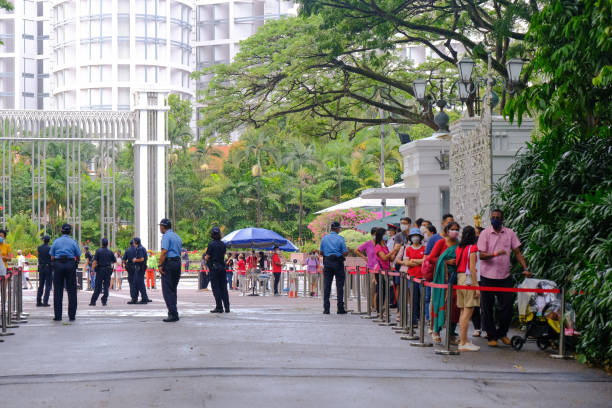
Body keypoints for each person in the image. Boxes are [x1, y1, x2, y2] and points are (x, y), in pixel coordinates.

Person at [478, 209, 531, 347]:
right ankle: (491, 336)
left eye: (497, 217)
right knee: (487, 307)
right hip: (487, 276)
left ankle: (502, 333)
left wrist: (525, 268)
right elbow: (481, 255)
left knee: (507, 306)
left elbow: (517, 252)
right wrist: (495, 254)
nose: (495, 219)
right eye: (493, 217)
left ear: (502, 219)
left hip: (504, 276)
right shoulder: (485, 233)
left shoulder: (510, 233)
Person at [431, 221, 460, 344]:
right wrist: (446, 262)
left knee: (455, 306)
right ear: (447, 231)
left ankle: (451, 332)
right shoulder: (441, 243)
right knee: (440, 303)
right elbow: (431, 258)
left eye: (457, 229)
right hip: (442, 279)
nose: (455, 231)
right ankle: (436, 330)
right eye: (452, 229)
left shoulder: (459, 244)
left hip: (456, 279)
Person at [455, 226, 481, 351]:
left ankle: (463, 340)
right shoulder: (473, 248)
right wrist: (477, 286)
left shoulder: (459, 248)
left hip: (459, 279)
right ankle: (463, 343)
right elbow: (472, 268)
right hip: (468, 280)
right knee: (468, 311)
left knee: (462, 311)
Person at [50, 223, 81, 321]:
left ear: (61, 231)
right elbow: (78, 255)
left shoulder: (56, 241)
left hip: (58, 264)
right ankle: (72, 316)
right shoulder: (73, 242)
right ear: (70, 231)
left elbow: (52, 256)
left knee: (58, 291)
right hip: (70, 264)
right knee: (72, 291)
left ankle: (58, 316)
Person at [319, 221, 348, 314]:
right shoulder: (340, 239)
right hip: (338, 263)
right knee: (339, 286)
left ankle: (326, 309)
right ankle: (340, 308)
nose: (340, 229)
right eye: (339, 228)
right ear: (336, 229)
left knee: (327, 285)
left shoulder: (324, 238)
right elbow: (345, 252)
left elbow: (321, 252)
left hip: (327, 262)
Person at [158, 218, 182, 322]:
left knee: (167, 290)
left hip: (169, 263)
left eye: (160, 226)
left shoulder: (166, 236)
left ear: (163, 227)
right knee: (173, 289)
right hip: (177, 263)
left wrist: (160, 265)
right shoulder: (177, 236)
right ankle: (174, 311)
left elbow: (164, 252)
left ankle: (173, 314)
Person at [402, 228, 426, 325]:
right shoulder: (408, 249)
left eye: (417, 236)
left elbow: (425, 261)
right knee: (413, 298)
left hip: (422, 277)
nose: (415, 238)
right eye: (413, 236)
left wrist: (413, 260)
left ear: (420, 237)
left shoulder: (424, 248)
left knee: (423, 298)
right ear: (410, 238)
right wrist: (418, 261)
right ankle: (414, 319)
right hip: (412, 277)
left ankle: (422, 317)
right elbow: (406, 262)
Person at [205, 227, 230, 313]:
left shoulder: (211, 244)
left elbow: (207, 257)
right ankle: (227, 307)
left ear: (212, 234)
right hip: (222, 268)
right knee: (223, 288)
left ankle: (219, 307)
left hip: (214, 269)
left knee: (216, 288)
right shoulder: (223, 244)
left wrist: (207, 261)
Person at [89, 238, 117, 306]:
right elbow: (114, 261)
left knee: (98, 286)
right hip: (108, 270)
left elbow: (95, 261)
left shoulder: (98, 251)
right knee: (106, 286)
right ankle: (104, 301)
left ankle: (93, 301)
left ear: (101, 243)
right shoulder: (110, 252)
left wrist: (92, 270)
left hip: (100, 270)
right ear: (107, 243)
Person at [374, 228, 396, 314]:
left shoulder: (385, 245)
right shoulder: (378, 246)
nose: (387, 234)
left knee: (386, 290)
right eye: (385, 233)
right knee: (381, 290)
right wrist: (394, 250)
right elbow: (384, 257)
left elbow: (389, 258)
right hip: (380, 271)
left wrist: (395, 251)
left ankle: (383, 308)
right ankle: (379, 310)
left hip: (386, 270)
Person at [132, 237, 150, 304]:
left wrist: (135, 260)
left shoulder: (139, 249)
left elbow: (142, 259)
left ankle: (144, 299)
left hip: (140, 267)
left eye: (134, 242)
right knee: (139, 282)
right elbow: (145, 258)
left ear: (136, 242)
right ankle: (144, 297)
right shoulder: (142, 248)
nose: (133, 243)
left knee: (139, 283)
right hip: (142, 267)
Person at [36, 235, 53, 307]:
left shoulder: (39, 248)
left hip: (41, 267)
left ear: (43, 240)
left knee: (41, 285)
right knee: (48, 285)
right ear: (49, 241)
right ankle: (45, 301)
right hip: (48, 268)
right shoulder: (50, 248)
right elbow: (52, 258)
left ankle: (38, 301)